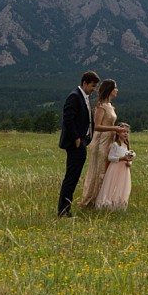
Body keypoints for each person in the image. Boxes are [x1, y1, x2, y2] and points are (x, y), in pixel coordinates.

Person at [57, 70, 100, 217]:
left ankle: (66, 209)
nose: (93, 90)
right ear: (84, 83)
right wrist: (76, 139)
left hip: (83, 141)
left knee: (74, 177)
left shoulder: (84, 97)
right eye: (92, 86)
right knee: (71, 177)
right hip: (76, 143)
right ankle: (63, 210)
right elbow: (68, 119)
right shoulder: (74, 96)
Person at [79, 78, 126, 208]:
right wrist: (114, 128)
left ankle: (101, 200)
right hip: (100, 142)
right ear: (109, 90)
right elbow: (97, 126)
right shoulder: (101, 106)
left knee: (105, 170)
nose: (117, 90)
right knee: (98, 171)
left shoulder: (110, 105)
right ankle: (89, 201)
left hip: (109, 141)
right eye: (115, 87)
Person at [95, 123, 135, 211]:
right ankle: (108, 202)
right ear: (117, 133)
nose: (125, 134)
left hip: (124, 170)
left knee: (122, 185)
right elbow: (110, 157)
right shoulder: (115, 145)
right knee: (113, 184)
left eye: (127, 132)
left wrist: (129, 162)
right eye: (123, 131)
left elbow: (129, 158)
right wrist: (121, 158)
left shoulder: (126, 145)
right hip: (115, 168)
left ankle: (118, 204)